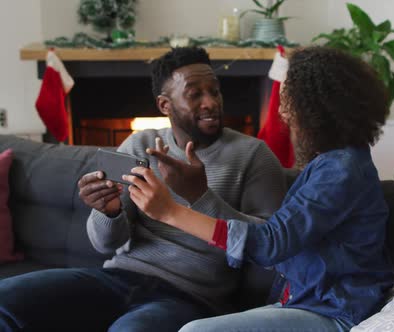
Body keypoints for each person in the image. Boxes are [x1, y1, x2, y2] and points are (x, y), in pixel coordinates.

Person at [0, 46, 287, 332]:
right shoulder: (139, 145)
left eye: (215, 91)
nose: (211, 102)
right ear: (165, 105)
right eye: (195, 94)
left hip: (190, 295)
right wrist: (108, 211)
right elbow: (105, 244)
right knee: (6, 299)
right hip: (117, 277)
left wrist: (200, 197)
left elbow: (269, 245)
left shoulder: (254, 155)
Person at [124, 46, 394, 332]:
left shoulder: (342, 170)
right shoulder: (333, 161)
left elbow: (271, 243)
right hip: (306, 302)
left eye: (289, 99)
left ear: (317, 106)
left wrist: (171, 212)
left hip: (336, 311)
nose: (282, 111)